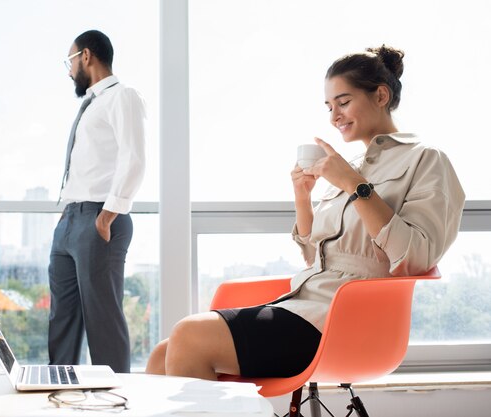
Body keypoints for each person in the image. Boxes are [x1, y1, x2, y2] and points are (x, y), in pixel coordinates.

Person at [145, 45, 465, 380]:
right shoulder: (347, 167)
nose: (334, 116)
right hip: (301, 304)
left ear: (381, 95)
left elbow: (417, 257)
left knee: (190, 336)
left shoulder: (426, 160)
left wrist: (355, 185)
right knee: (161, 355)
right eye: (329, 107)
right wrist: (303, 198)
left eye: (343, 102)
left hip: (346, 320)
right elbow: (317, 258)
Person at [48, 30, 146, 373]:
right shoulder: (91, 104)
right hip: (70, 220)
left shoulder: (123, 96)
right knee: (62, 320)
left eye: (70, 60)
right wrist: (65, 215)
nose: (69, 70)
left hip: (99, 219)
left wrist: (105, 218)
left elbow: (134, 159)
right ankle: (56, 395)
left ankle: (117, 400)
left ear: (86, 56)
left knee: (103, 322)